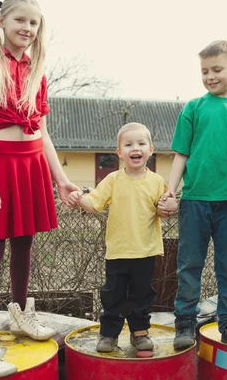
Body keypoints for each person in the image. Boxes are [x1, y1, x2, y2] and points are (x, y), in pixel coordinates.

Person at [0, 0, 80, 378]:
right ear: (2, 22)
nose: (27, 29)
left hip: (31, 167)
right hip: (0, 168)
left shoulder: (37, 71)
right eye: (20, 21)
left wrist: (60, 179)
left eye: (34, 23)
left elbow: (41, 132)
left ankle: (21, 313)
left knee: (25, 242)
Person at [159, 40, 227, 351]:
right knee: (189, 265)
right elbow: (181, 154)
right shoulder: (194, 108)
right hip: (195, 201)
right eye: (204, 71)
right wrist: (172, 189)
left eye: (217, 69)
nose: (210, 76)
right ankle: (184, 324)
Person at [68, 123, 178, 353]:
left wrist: (170, 206)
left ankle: (140, 334)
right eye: (128, 144)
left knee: (142, 296)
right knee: (112, 296)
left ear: (151, 149)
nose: (134, 148)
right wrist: (79, 198)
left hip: (145, 251)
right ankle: (109, 334)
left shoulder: (157, 182)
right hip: (117, 252)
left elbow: (163, 210)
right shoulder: (112, 180)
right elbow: (93, 204)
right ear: (119, 152)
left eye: (140, 144)